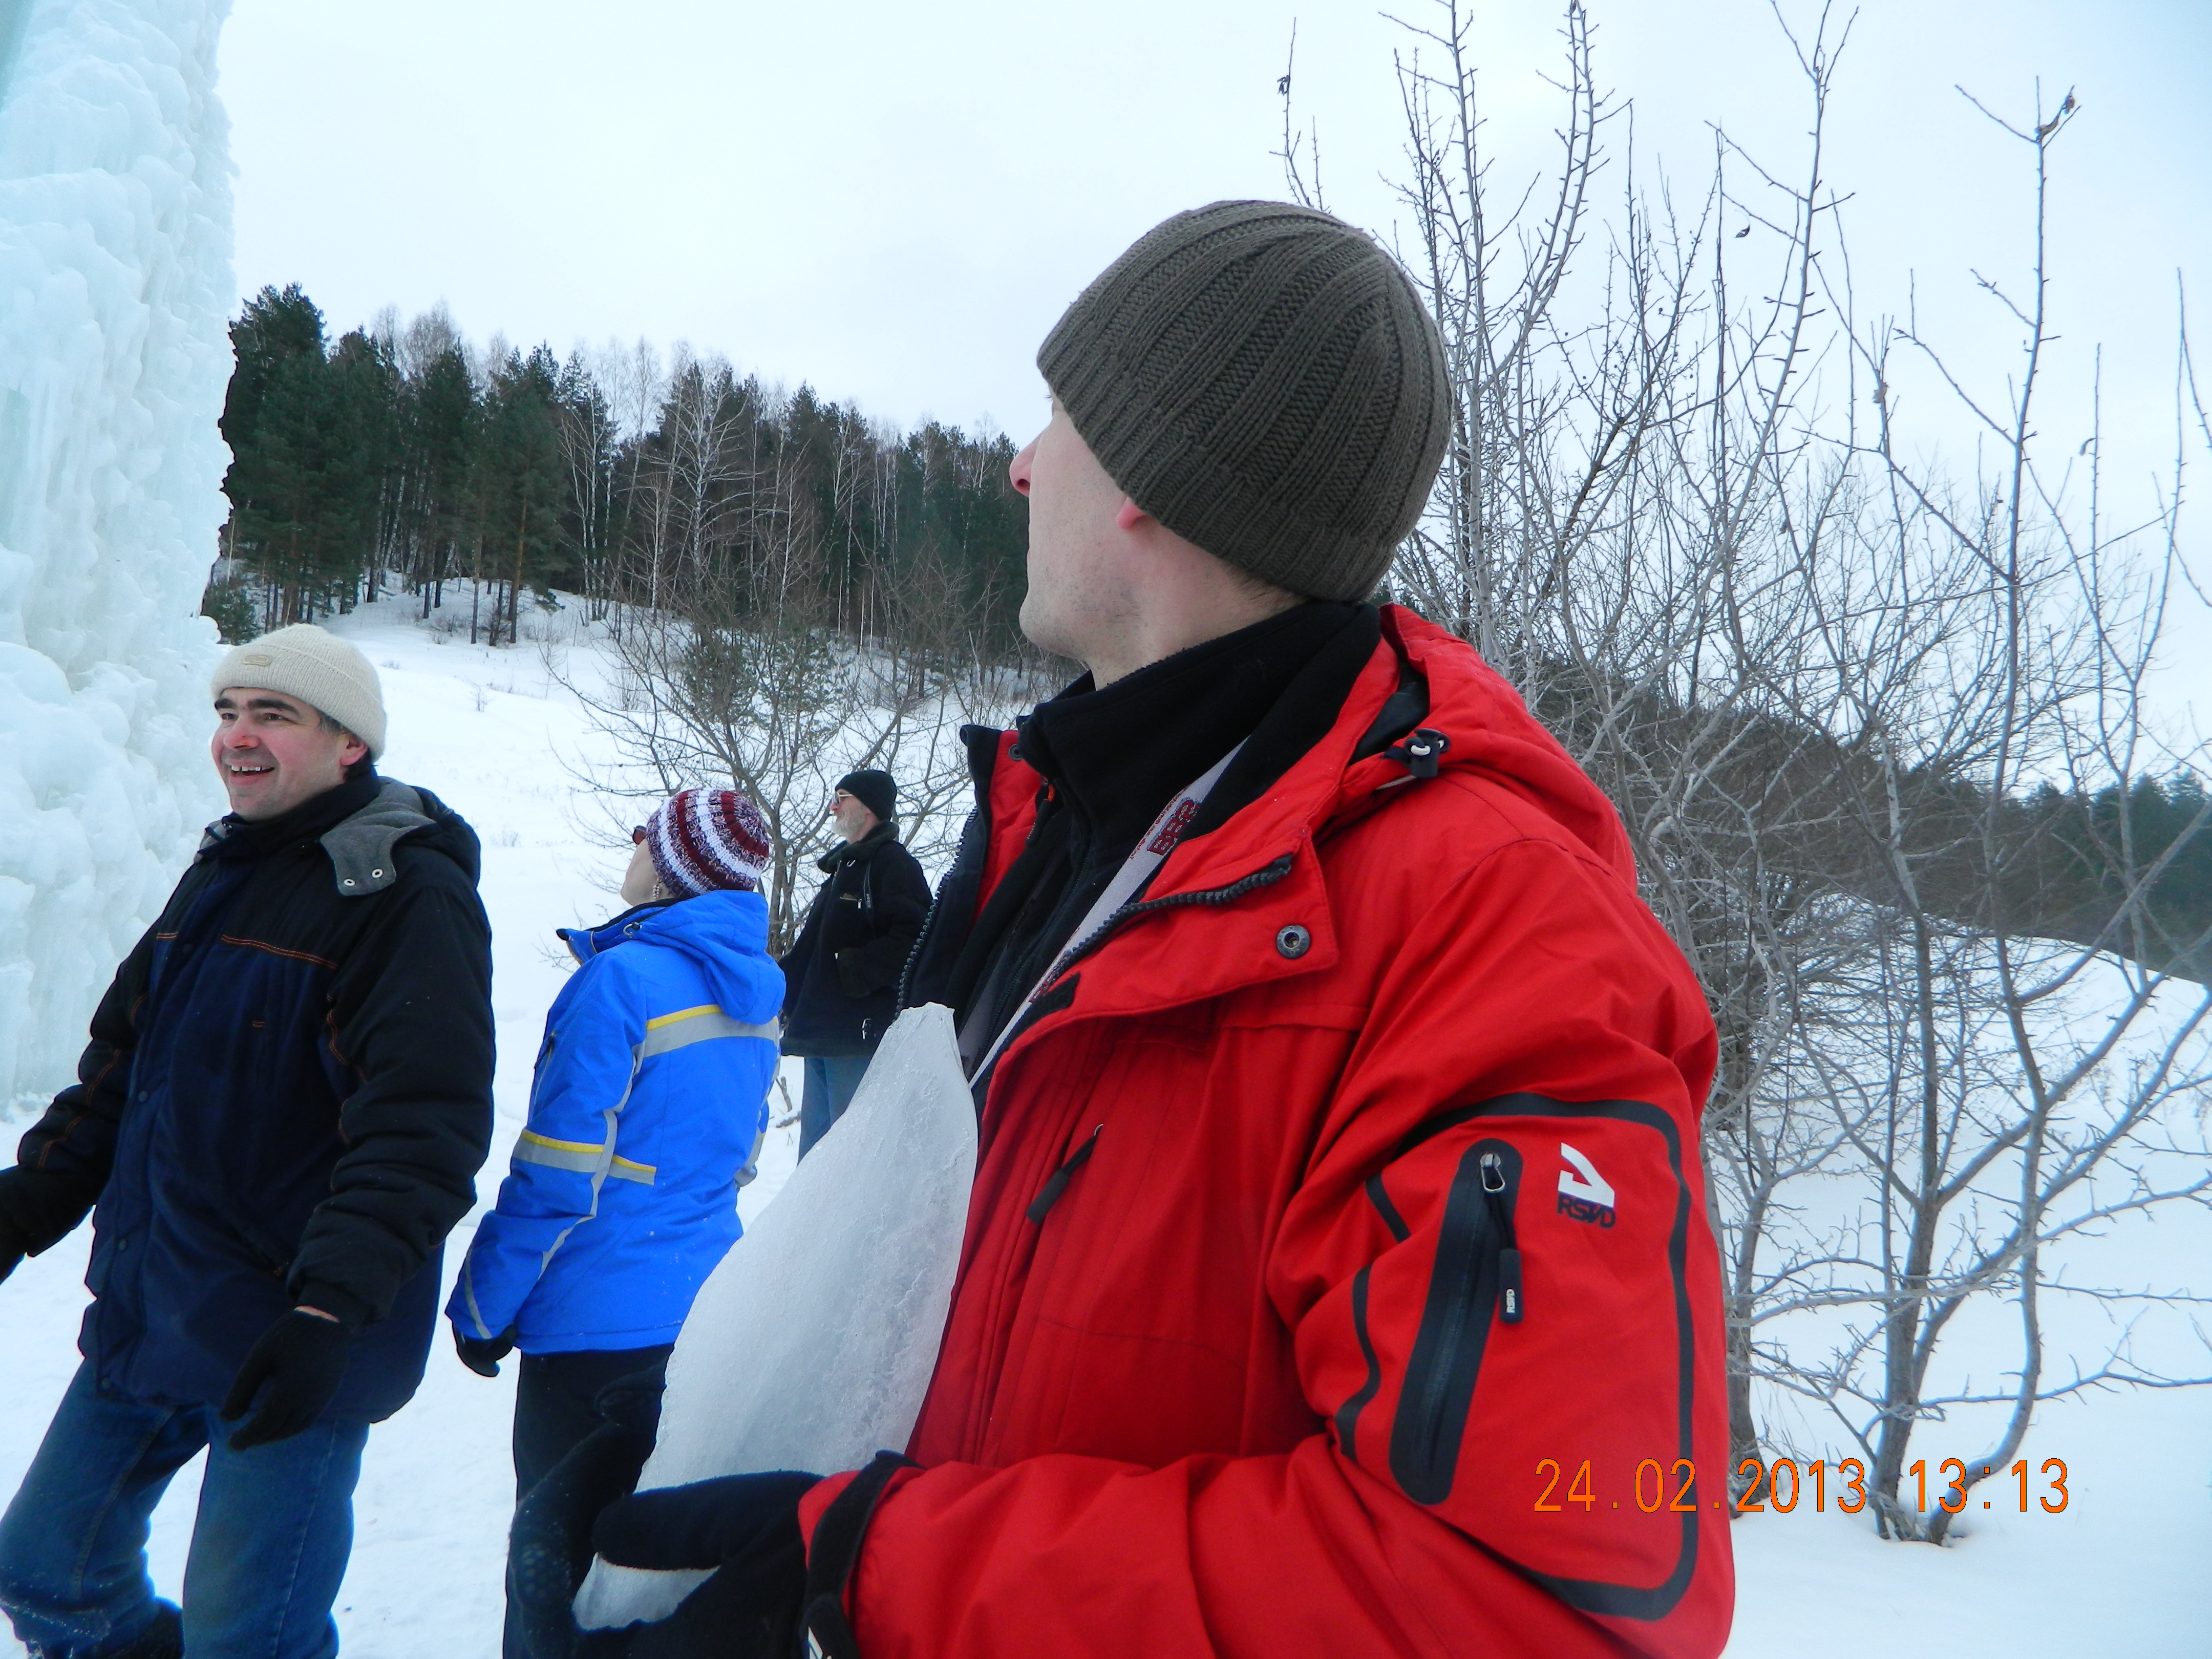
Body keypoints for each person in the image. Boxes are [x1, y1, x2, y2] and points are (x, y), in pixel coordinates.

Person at [552, 201, 1734, 1659]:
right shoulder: (1072, 822)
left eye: (1057, 417)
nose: (1019, 463)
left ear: (1149, 481)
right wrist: (729, 1450)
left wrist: (883, 1571)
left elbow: (1538, 1598)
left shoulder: (1495, 928)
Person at [0, 624, 494, 1659]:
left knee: (247, 1637)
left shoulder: (405, 894)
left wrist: (328, 1310)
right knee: (45, 1571)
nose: (237, 735)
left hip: (292, 1331)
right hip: (158, 1301)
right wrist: (26, 1203)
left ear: (350, 744)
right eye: (228, 712)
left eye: (275, 714)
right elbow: (126, 1067)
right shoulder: (228, 864)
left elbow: (421, 1128)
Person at [445, 787, 783, 1659]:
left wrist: (483, 1306)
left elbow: (558, 1174)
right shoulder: (757, 991)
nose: (633, 846)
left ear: (671, 869)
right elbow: (738, 1158)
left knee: (553, 1580)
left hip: (592, 1333)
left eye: (647, 836)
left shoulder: (620, 982)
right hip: (703, 1316)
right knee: (649, 1571)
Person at [776, 770, 931, 1156]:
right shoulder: (843, 870)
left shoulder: (893, 864)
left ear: (869, 808)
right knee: (815, 1157)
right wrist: (779, 988)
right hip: (820, 1032)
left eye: (841, 797)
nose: (833, 807)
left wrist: (855, 971)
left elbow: (917, 938)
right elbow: (811, 950)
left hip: (858, 1038)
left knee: (849, 1155)